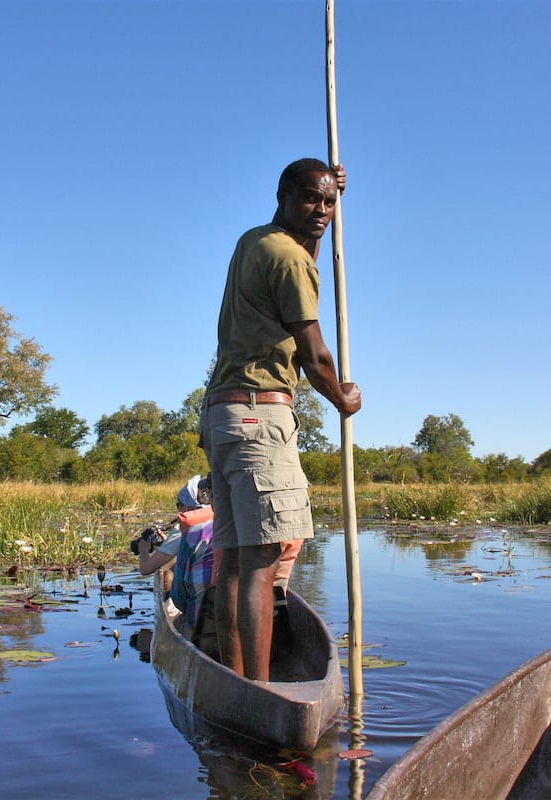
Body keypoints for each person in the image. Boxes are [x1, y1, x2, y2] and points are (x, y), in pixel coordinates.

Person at [199, 158, 362, 681]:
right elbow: (315, 357)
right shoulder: (290, 260)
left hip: (222, 415)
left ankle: (236, 679)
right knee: (264, 565)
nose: (321, 210)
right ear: (283, 195)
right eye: (311, 199)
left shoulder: (256, 241)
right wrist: (343, 398)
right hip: (259, 419)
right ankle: (260, 691)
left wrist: (321, 221)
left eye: (329, 202)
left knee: (233, 559)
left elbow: (303, 261)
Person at [135, 475, 211, 594]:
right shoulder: (215, 520)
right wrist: (167, 542)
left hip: (197, 592)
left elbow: (145, 569)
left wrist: (143, 550)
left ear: (187, 508)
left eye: (178, 505)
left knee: (166, 570)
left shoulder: (183, 530)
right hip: (213, 583)